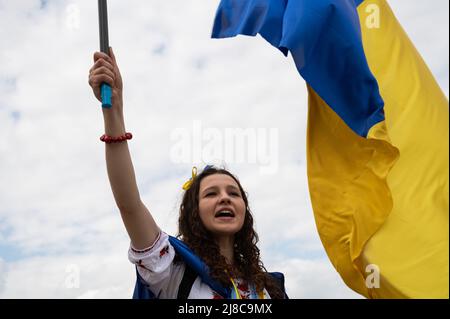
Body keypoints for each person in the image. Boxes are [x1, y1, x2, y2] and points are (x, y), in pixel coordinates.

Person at [88, 48, 287, 299]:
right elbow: (130, 205)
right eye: (211, 194)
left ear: (245, 210)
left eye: (233, 193)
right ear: (194, 212)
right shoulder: (171, 271)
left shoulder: (270, 288)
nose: (224, 198)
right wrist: (114, 110)